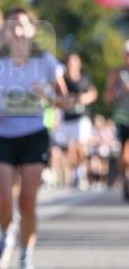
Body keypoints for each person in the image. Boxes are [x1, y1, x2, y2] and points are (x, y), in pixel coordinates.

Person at [0, 8, 68, 269]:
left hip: (33, 134)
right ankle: (6, 233)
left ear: (32, 31)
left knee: (27, 201)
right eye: (11, 26)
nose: (16, 31)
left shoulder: (46, 62)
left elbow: (65, 101)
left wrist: (48, 95)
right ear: (5, 33)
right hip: (1, 133)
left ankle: (26, 257)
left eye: (21, 25)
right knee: (4, 198)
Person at [55, 53, 97, 189]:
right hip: (68, 118)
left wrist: (84, 98)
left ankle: (81, 172)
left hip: (82, 117)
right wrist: (67, 100)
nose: (71, 65)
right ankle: (75, 172)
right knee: (69, 149)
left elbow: (93, 93)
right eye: (68, 62)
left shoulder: (84, 78)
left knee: (80, 145)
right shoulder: (63, 81)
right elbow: (57, 99)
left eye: (73, 62)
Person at [103, 41, 129, 201]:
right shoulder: (117, 73)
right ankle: (125, 177)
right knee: (124, 154)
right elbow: (107, 97)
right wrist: (121, 90)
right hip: (122, 118)